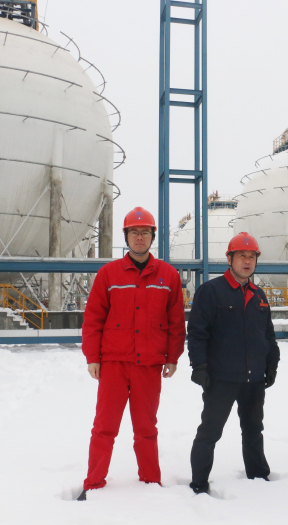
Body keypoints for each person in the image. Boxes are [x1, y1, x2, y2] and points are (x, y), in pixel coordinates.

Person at [77, 207, 186, 500]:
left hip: (148, 365)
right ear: (126, 236)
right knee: (104, 427)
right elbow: (93, 319)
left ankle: (151, 480)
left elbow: (176, 321)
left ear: (152, 236)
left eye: (145, 232)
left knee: (146, 428)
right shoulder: (109, 274)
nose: (140, 237)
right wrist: (92, 357)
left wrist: (173, 357)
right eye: (134, 232)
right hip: (114, 363)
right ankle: (94, 481)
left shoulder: (168, 276)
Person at [187, 232, 280, 495]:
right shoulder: (211, 291)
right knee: (210, 431)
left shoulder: (259, 295)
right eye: (242, 256)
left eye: (251, 257)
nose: (247, 261)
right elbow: (197, 333)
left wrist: (271, 364)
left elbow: (267, 334)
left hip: (254, 378)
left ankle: (258, 476)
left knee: (254, 430)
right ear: (230, 259)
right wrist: (199, 366)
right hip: (221, 378)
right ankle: (199, 482)